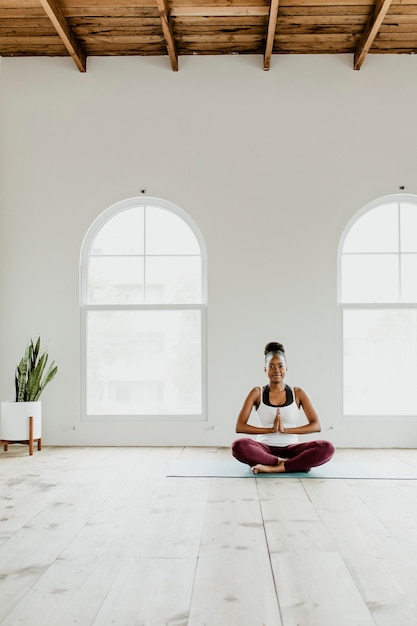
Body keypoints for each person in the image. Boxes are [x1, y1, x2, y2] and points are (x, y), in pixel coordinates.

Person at [231, 341, 335, 474]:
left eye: (280, 366)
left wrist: (285, 430)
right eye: (271, 366)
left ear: (286, 368)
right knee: (238, 446)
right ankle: (287, 463)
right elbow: (240, 426)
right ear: (265, 369)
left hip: (291, 449)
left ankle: (274, 467)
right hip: (264, 448)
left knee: (327, 447)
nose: (276, 370)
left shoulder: (297, 393)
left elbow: (316, 425)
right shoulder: (257, 392)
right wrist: (270, 430)